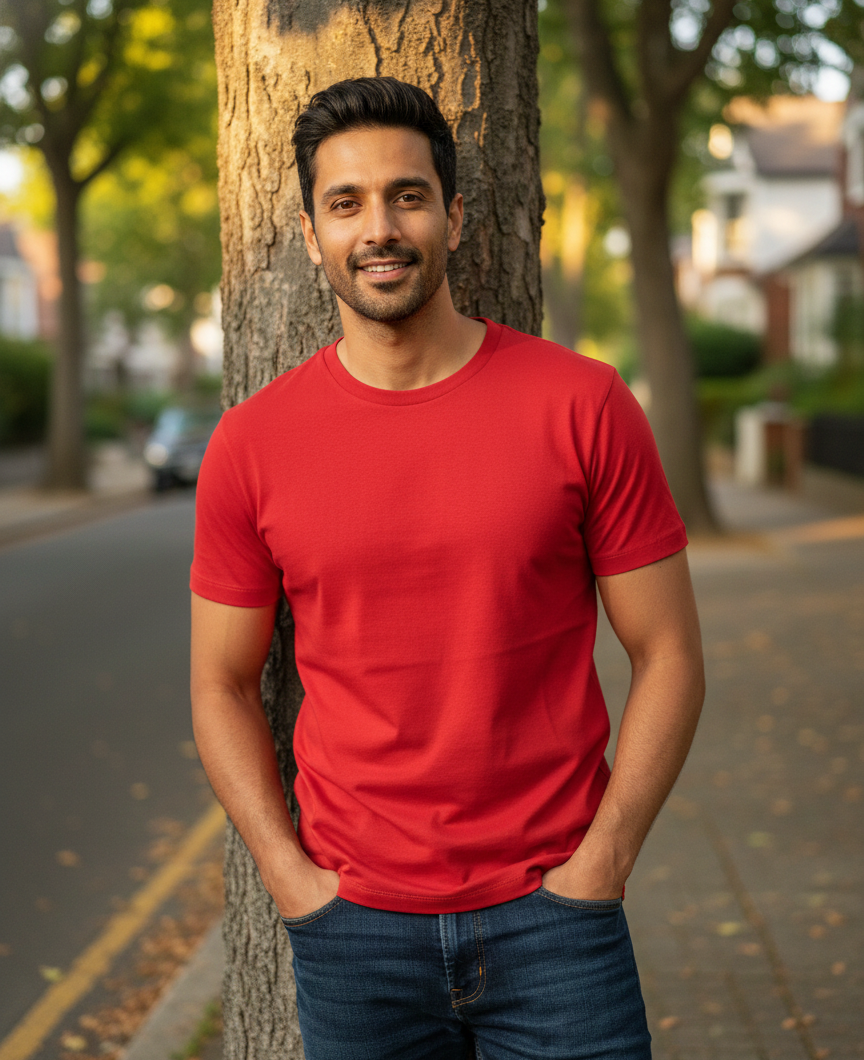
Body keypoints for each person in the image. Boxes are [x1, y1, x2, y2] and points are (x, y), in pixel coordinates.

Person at [190, 77, 704, 1059]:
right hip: (355, 937)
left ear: (455, 216)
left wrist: (606, 858)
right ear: (311, 234)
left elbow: (671, 653)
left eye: (407, 195)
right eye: (345, 203)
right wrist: (289, 877)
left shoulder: (582, 406)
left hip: (557, 922)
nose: (379, 227)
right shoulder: (251, 447)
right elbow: (219, 683)